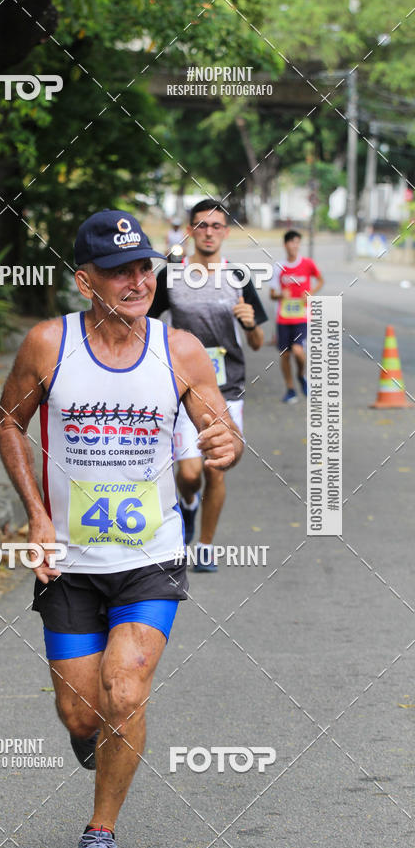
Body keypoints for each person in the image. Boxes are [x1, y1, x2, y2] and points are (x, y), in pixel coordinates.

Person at [0, 209, 243, 848]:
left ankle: (100, 829)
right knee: (82, 714)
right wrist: (36, 513)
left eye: (144, 268)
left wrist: (228, 443)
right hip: (69, 559)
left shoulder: (179, 350)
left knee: (125, 691)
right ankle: (98, 736)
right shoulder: (50, 344)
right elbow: (7, 425)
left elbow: (222, 435)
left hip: (151, 556)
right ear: (85, 280)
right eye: (118, 272)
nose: (136, 282)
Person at [148, 199, 267, 571]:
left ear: (226, 232)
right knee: (189, 474)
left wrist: (250, 324)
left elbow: (258, 342)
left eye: (216, 226)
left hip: (227, 388)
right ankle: (187, 504)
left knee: (217, 467)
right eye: (202, 225)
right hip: (182, 390)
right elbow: (145, 326)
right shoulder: (170, 276)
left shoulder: (240, 278)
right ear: (191, 231)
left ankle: (205, 547)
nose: (209, 232)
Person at [270, 229, 324, 403]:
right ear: (285, 244)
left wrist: (310, 292)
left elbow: (320, 280)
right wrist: (280, 295)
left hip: (302, 316)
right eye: (292, 242)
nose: (295, 245)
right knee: (285, 355)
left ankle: (301, 375)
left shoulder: (308, 264)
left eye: (297, 242)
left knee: (298, 351)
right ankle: (290, 388)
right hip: (283, 317)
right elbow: (272, 294)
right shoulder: (278, 267)